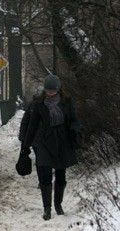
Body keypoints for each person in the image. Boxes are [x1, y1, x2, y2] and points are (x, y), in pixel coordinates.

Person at [20, 74, 80, 220]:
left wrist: (75, 130)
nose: (50, 93)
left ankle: (58, 205)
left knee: (61, 175)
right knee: (45, 175)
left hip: (62, 141)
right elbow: (32, 125)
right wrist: (25, 146)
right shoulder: (38, 104)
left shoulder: (67, 102)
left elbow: (74, 119)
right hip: (44, 141)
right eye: (48, 90)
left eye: (53, 90)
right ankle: (47, 208)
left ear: (58, 89)